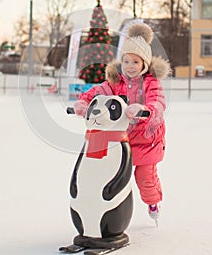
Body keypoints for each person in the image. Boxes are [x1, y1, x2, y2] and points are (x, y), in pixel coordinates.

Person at [73, 23, 171, 223]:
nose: (130, 66)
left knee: (145, 178)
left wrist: (145, 110)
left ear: (144, 63)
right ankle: (104, 209)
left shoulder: (151, 83)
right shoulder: (115, 82)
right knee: (108, 172)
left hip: (147, 139)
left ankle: (153, 202)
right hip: (120, 139)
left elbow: (158, 103)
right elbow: (98, 92)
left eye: (135, 61)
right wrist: (84, 102)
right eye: (126, 61)